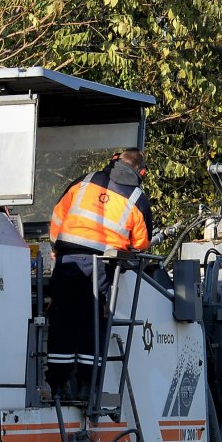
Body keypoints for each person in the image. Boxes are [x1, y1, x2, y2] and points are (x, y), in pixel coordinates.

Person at [46, 147, 153, 402]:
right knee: (93, 323)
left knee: (62, 322)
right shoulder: (137, 197)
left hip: (67, 261)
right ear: (141, 172)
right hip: (102, 266)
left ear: (114, 161)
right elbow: (141, 244)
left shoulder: (84, 181)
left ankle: (58, 386)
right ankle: (87, 387)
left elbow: (58, 216)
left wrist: (55, 248)